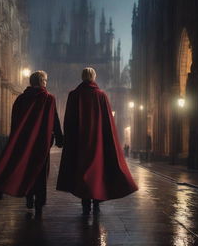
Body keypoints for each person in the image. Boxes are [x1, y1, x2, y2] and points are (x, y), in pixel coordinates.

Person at [56, 67, 138, 215]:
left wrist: (68, 139)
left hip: (80, 141)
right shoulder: (101, 95)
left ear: (82, 77)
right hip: (98, 141)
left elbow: (68, 121)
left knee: (82, 170)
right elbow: (108, 121)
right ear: (94, 77)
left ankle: (85, 202)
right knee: (98, 170)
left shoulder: (73, 95)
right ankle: (97, 201)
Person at [0, 70, 63, 216]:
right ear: (41, 81)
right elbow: (54, 118)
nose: (46, 82)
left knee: (26, 168)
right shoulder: (48, 98)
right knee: (40, 171)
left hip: (23, 141)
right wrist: (59, 138)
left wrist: (15, 138)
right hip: (41, 142)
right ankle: (39, 202)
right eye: (45, 80)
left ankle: (29, 196)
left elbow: (16, 120)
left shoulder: (21, 99)